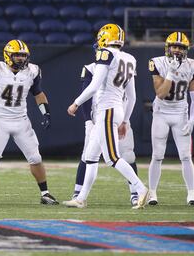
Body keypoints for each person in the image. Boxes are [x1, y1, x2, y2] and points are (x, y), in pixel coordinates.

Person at [64, 24, 149, 209]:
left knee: (112, 157)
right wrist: (125, 120)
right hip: (116, 109)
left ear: (104, 38)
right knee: (90, 156)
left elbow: (94, 85)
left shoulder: (106, 54)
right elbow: (132, 97)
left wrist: (76, 103)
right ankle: (81, 198)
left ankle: (141, 188)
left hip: (107, 110)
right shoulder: (130, 58)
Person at [0, 40, 57, 205]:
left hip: (21, 121)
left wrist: (45, 113)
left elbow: (38, 94)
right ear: (7, 55)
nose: (20, 58)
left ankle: (45, 193)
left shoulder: (32, 71)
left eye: (23, 55)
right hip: (0, 121)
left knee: (36, 158)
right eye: (17, 55)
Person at [147, 32, 194, 206]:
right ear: (168, 47)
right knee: (157, 155)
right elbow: (161, 94)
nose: (177, 50)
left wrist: (192, 119)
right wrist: (170, 72)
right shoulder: (157, 62)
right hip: (161, 112)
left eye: (181, 47)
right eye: (174, 46)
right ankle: (153, 193)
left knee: (186, 156)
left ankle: (191, 194)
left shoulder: (192, 65)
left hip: (180, 113)